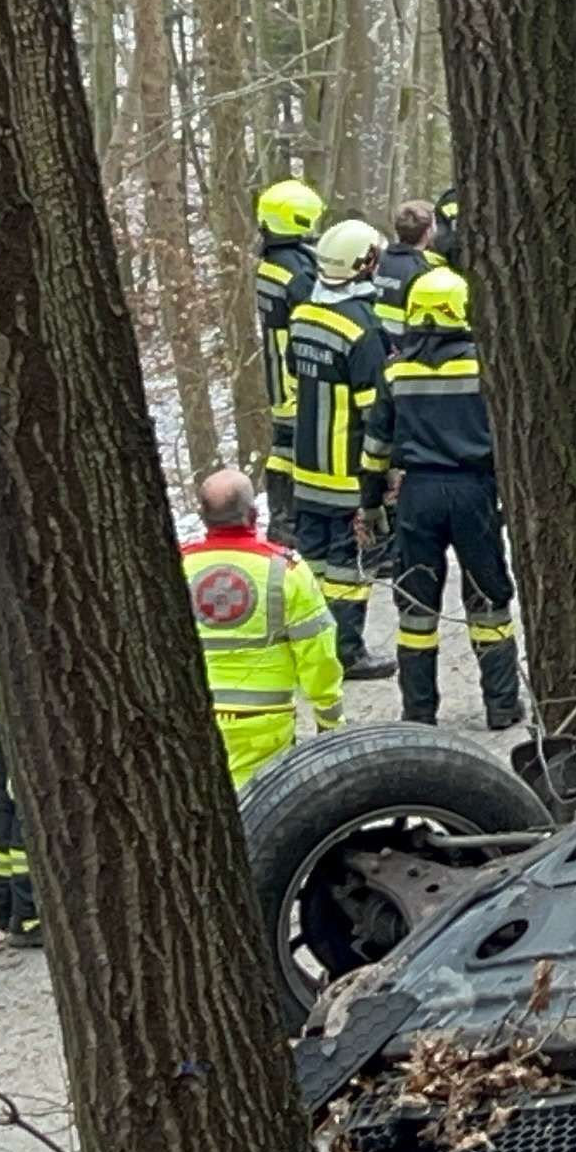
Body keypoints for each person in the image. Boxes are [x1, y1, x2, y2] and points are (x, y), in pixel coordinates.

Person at [373, 269, 524, 729]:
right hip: (473, 491)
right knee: (488, 597)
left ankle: (419, 711)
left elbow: (376, 447)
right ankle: (501, 705)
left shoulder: (396, 372)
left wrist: (369, 503)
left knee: (416, 605)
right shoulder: (485, 366)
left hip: (417, 494)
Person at [180, 466, 347, 788]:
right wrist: (329, 721)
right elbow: (318, 655)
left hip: (193, 717)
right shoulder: (286, 571)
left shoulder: (179, 566)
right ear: (254, 514)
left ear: (202, 516)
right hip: (264, 724)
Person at [285, 219, 395, 680]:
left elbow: (295, 374)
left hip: (306, 469)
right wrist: (386, 474)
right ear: (364, 264)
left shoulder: (303, 316)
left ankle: (307, 651)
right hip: (347, 473)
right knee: (349, 568)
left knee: (309, 565)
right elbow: (377, 411)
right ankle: (346, 652)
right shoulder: (363, 329)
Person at [253, 179, 327, 522]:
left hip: (277, 370)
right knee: (297, 442)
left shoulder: (273, 261)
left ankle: (282, 515)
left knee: (283, 443)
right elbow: (318, 313)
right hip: (294, 370)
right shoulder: (298, 271)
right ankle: (291, 517)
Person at [0, 680, 37, 948]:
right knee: (28, 811)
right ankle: (29, 916)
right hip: (28, 714)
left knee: (4, 807)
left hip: (5, 714)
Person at [372, 199, 446, 340]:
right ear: (428, 232)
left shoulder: (378, 260)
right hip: (404, 344)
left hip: (376, 339)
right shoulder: (423, 270)